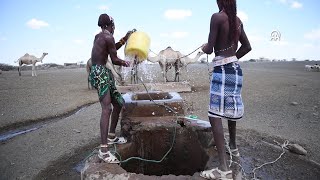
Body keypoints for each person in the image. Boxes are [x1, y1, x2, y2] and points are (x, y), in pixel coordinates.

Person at [200, 0, 251, 179]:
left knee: (214, 115)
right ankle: (234, 148)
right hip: (236, 70)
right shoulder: (237, 21)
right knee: (230, 110)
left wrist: (203, 47)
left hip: (222, 70)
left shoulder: (217, 18)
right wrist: (232, 58)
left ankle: (223, 169)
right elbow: (247, 47)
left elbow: (210, 47)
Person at [89, 13, 134, 163]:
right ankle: (104, 150)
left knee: (119, 103)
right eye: (114, 26)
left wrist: (125, 38)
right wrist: (126, 63)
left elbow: (111, 48)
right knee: (107, 109)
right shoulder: (108, 37)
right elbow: (114, 59)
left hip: (101, 71)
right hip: (100, 72)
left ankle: (111, 137)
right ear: (111, 25)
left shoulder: (99, 37)